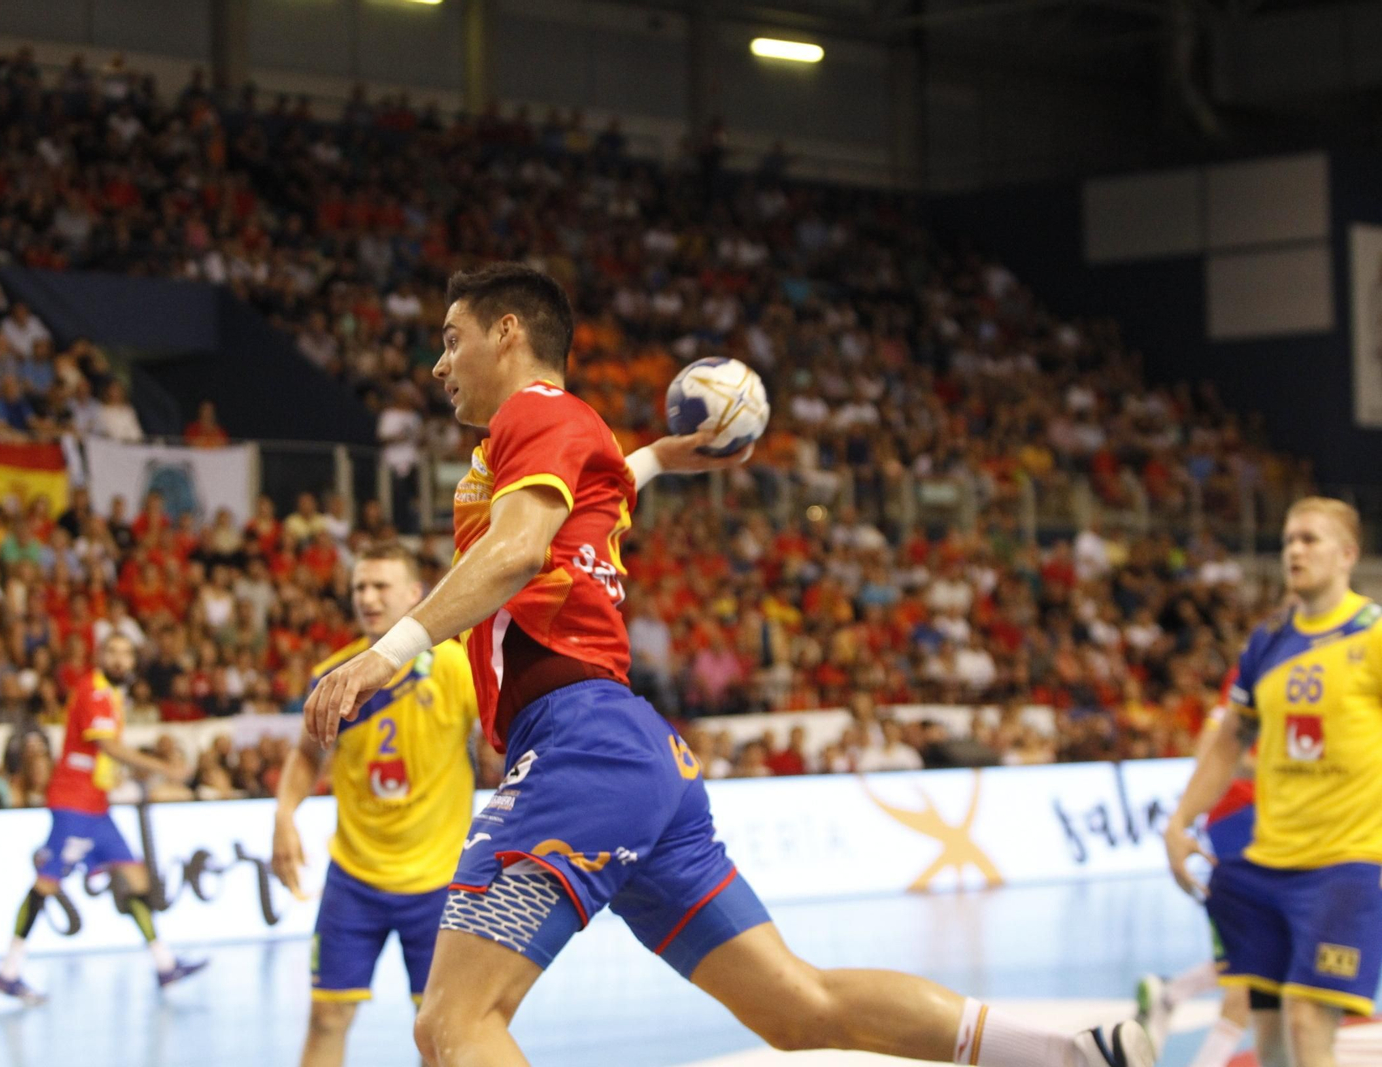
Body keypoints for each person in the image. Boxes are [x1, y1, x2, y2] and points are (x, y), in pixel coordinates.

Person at [307, 263, 1151, 1067]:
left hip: (575, 746)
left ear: (508, 331)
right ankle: (1076, 1054)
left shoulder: (533, 414)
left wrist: (384, 655)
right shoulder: (565, 437)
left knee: (453, 1022)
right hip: (640, 759)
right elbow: (587, 501)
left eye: (452, 339)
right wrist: (660, 458)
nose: (438, 363)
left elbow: (520, 549)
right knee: (798, 1007)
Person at [1165, 497, 1382, 1067]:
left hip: (1345, 865)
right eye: (1289, 540)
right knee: (1269, 1038)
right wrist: (1180, 820)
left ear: (1347, 555)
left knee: (1311, 1022)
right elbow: (1232, 737)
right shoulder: (1268, 641)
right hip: (1265, 863)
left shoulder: (1374, 634)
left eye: (1310, 539)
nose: (1294, 550)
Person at [271, 542, 478, 1067]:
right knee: (326, 1018)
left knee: (438, 1032)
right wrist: (283, 816)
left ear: (415, 594)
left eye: (381, 586)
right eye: (360, 586)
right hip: (354, 878)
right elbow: (304, 756)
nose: (367, 597)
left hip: (439, 883)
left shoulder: (455, 666)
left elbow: (507, 737)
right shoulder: (334, 675)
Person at [0, 634, 206, 1003]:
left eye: (126, 654)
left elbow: (101, 755)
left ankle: (165, 965)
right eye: (113, 653)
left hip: (96, 804)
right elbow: (108, 746)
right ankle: (9, 971)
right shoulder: (95, 690)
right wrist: (164, 768)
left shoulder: (112, 695)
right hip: (73, 803)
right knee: (46, 884)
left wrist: (117, 776)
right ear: (100, 656)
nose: (120, 660)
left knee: (135, 876)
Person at [1136, 666, 1255, 1067]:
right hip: (1242, 817)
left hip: (1276, 822)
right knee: (1250, 976)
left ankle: (1172, 992)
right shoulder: (1261, 661)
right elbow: (1211, 747)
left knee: (1267, 955)